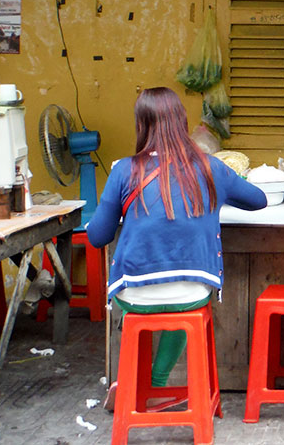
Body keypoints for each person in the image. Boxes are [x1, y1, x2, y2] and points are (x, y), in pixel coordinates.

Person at [87, 87, 267, 404]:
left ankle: (131, 381)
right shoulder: (212, 168)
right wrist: (218, 191)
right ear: (182, 122)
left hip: (135, 294)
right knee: (181, 298)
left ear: (140, 125)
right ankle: (155, 381)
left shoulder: (123, 170)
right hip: (194, 291)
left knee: (139, 308)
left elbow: (98, 237)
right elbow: (259, 200)